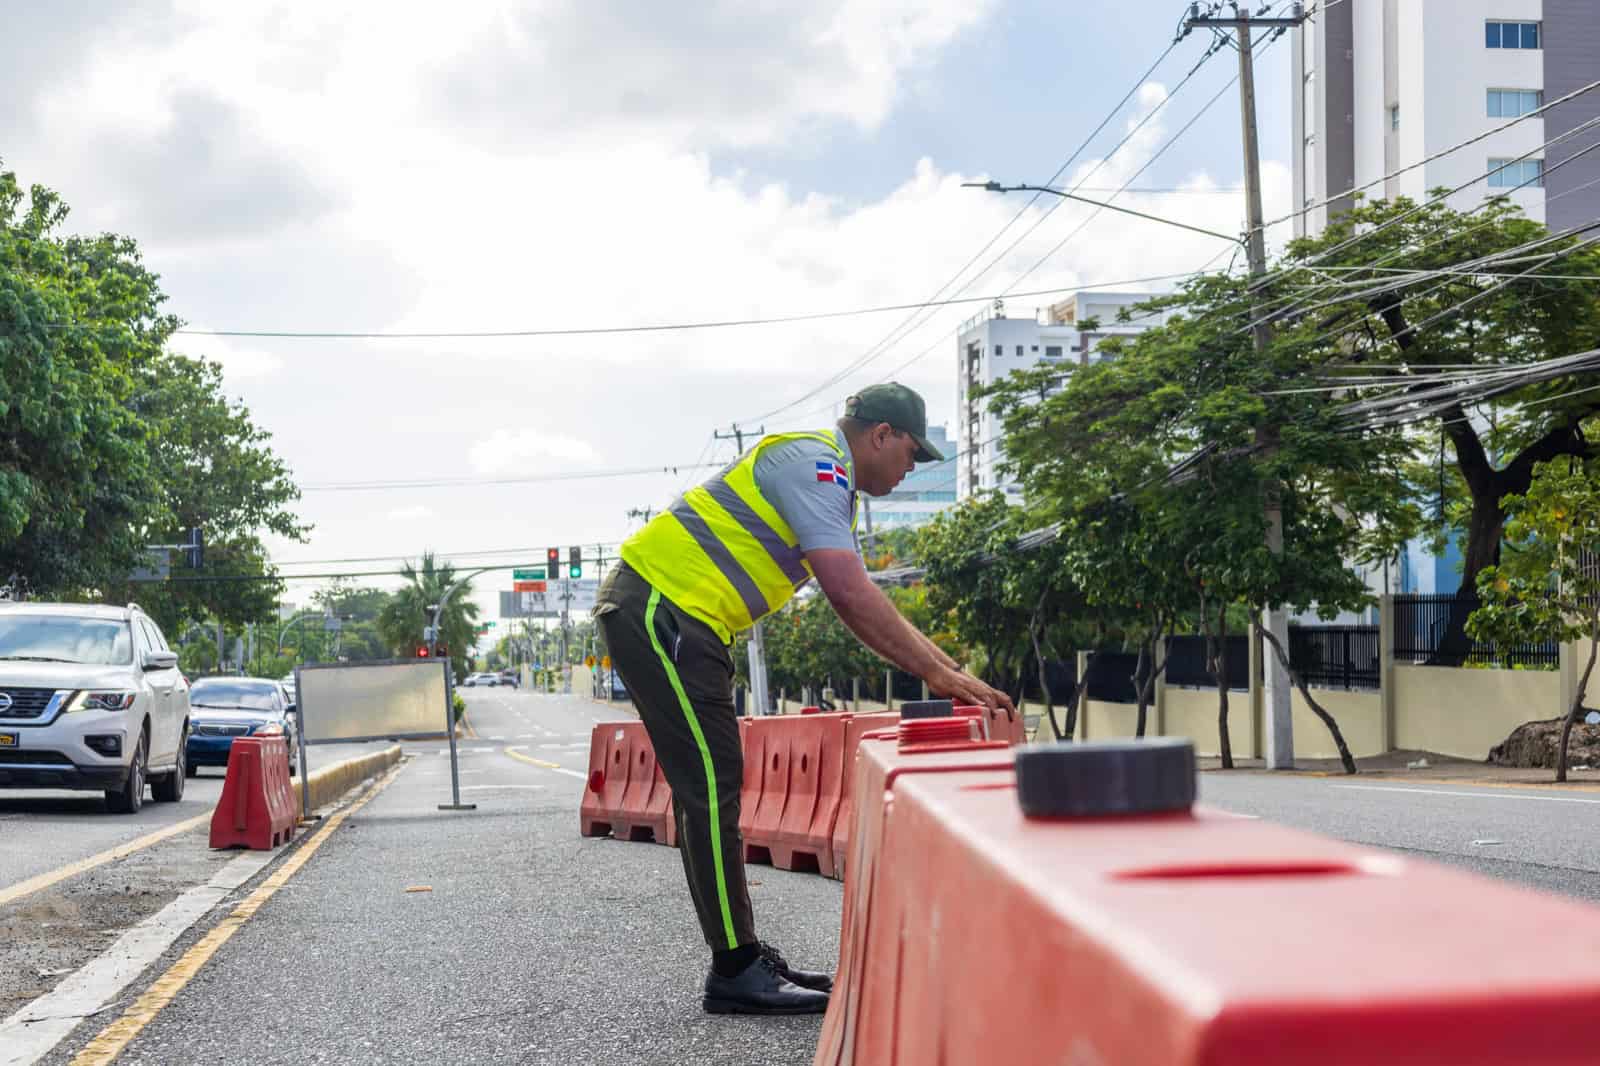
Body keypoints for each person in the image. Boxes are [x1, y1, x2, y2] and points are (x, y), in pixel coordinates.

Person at [594, 382, 1015, 1015]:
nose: (909, 470)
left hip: (685, 617)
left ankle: (743, 954)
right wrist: (944, 673)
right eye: (910, 454)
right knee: (710, 783)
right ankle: (735, 969)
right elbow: (850, 593)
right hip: (662, 607)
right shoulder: (817, 464)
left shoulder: (829, 481)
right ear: (880, 435)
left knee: (715, 778)